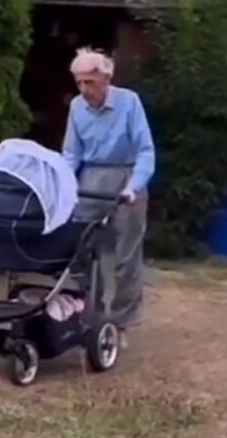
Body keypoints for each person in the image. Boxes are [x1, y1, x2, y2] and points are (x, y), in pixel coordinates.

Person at [61, 47, 156, 342]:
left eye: (89, 82)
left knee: (125, 256)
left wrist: (133, 187)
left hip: (127, 177)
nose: (83, 88)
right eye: (78, 82)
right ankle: (86, 313)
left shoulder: (129, 102)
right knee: (81, 250)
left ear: (106, 78)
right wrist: (63, 184)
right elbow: (70, 153)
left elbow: (145, 151)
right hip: (91, 179)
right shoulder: (77, 107)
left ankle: (122, 322)